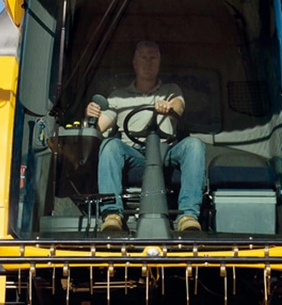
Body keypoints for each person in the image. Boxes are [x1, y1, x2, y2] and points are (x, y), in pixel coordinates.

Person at [85, 40, 207, 233]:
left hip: (166, 151)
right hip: (134, 154)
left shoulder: (170, 90)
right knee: (109, 145)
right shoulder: (118, 96)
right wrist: (91, 115)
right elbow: (100, 127)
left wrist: (169, 108)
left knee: (195, 145)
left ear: (159, 62)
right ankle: (112, 214)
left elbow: (179, 106)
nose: (148, 62)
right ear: (134, 62)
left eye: (153, 58)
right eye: (144, 58)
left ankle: (188, 216)